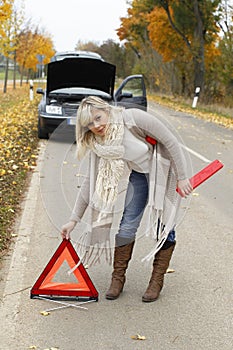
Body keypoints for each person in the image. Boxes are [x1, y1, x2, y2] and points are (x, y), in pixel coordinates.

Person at [61, 96, 193, 302]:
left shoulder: (132, 119)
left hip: (165, 173)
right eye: (90, 123)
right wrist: (73, 219)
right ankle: (118, 278)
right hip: (140, 176)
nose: (96, 125)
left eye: (98, 117)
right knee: (127, 226)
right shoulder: (100, 144)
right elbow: (90, 182)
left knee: (165, 227)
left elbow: (171, 141)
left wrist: (183, 177)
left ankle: (156, 281)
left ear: (106, 110)